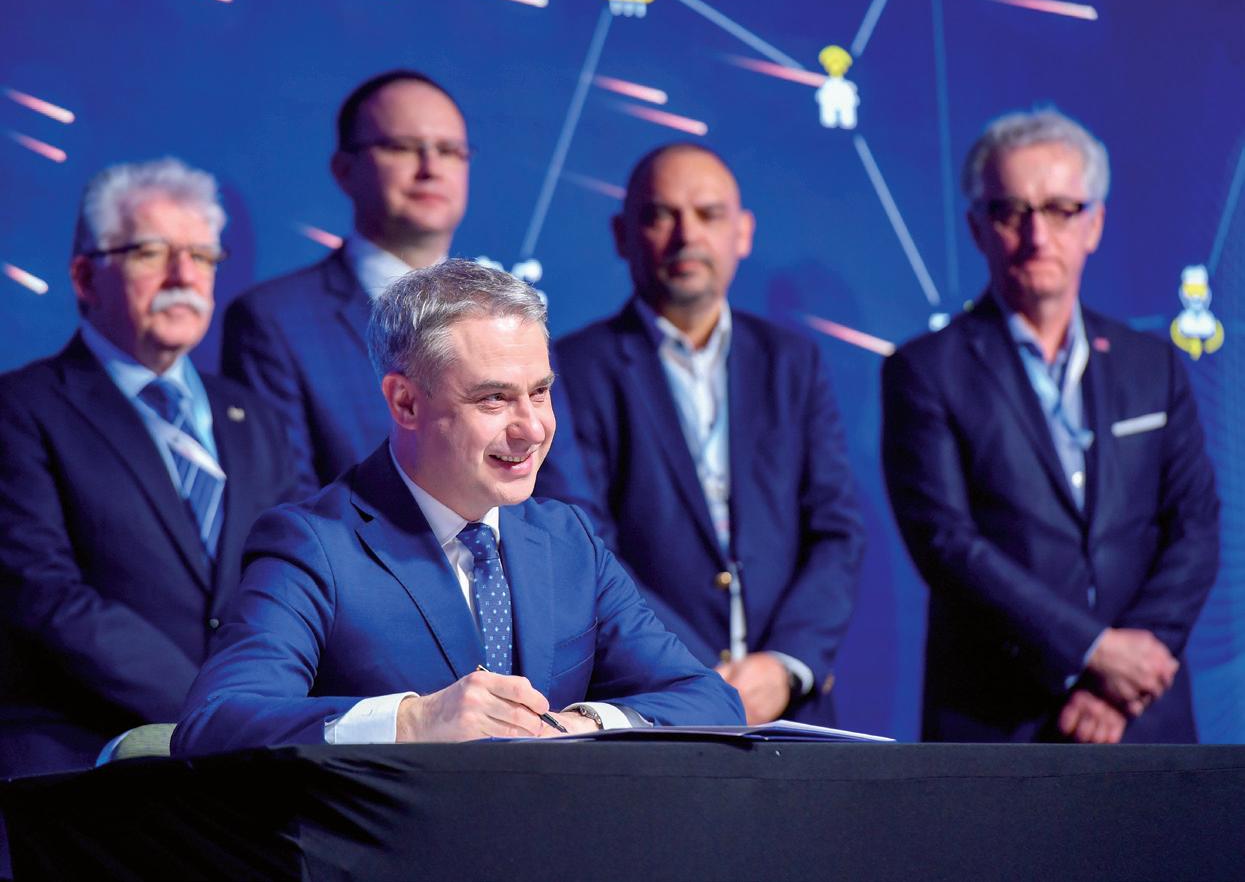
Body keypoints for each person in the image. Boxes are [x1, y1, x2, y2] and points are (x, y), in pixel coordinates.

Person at [173, 260, 743, 755]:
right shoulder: (315, 545)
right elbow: (214, 723)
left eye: (540, 392)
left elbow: (708, 700)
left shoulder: (567, 539)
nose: (532, 428)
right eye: (494, 398)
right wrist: (412, 722)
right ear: (405, 402)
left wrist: (584, 724)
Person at [881, 107, 1219, 743]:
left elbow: (1195, 526)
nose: (1038, 236)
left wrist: (1127, 673)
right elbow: (947, 545)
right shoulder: (924, 371)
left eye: (1062, 210)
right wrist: (1095, 652)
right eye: (1012, 212)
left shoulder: (1153, 364)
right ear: (977, 228)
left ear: (1095, 224)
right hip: (997, 724)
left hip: (1144, 715)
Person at [540, 144, 866, 726]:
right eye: (660, 215)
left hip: (793, 704)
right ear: (622, 235)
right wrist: (695, 676)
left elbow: (836, 530)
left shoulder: (793, 361)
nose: (686, 234)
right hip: (654, 705)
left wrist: (783, 665)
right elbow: (587, 543)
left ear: (743, 233)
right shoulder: (571, 368)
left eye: (709, 214)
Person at [0, 158, 295, 777]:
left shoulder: (253, 415)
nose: (183, 275)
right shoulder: (21, 410)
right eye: (150, 253)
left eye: (202, 255)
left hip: (250, 760)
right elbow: (45, 596)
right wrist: (217, 712)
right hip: (85, 759)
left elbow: (289, 577)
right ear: (86, 277)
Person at [220, 70, 593, 513]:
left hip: (506, 559)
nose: (430, 168)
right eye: (402, 147)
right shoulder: (275, 321)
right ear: (345, 170)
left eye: (449, 151)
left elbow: (569, 508)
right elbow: (293, 511)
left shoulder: (512, 316)